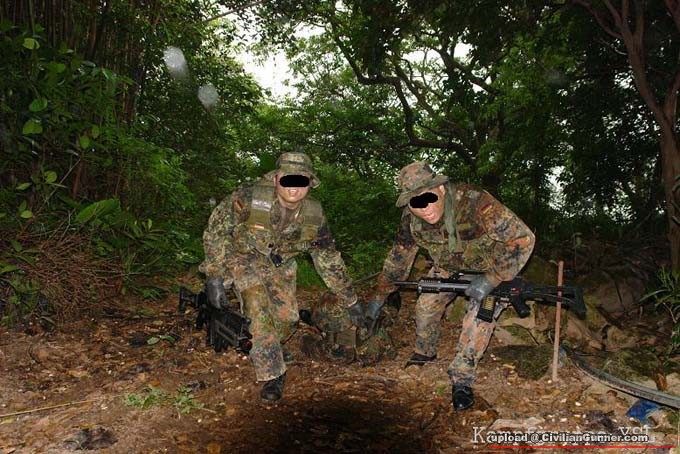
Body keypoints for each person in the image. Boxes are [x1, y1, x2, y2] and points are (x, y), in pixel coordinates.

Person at [366, 162, 535, 410]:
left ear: (442, 189)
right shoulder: (411, 221)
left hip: (490, 269)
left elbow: (523, 238)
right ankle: (425, 351)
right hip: (448, 268)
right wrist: (380, 295)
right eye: (415, 202)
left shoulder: (476, 202)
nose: (424, 208)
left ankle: (462, 377)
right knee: (425, 306)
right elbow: (399, 258)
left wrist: (492, 278)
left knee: (479, 318)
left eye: (428, 198)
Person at [199, 152, 365, 402]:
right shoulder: (248, 197)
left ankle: (265, 345)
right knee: (257, 306)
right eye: (288, 180)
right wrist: (214, 276)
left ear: (310, 183)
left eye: (301, 181)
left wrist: (350, 299)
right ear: (276, 179)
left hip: (280, 266)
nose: (294, 188)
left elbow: (328, 258)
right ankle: (272, 374)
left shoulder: (314, 215)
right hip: (241, 259)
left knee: (288, 321)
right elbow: (216, 232)